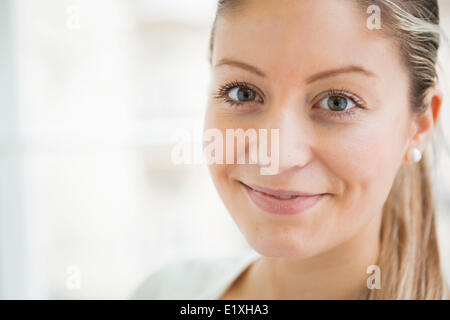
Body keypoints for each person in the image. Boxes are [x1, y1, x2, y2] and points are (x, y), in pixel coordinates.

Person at [132, 0, 449, 300]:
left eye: (336, 102)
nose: (276, 156)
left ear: (419, 127)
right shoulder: (165, 291)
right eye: (243, 93)